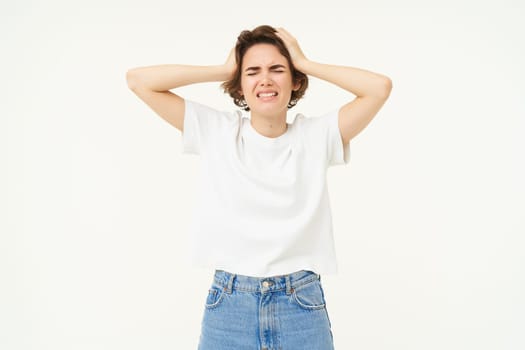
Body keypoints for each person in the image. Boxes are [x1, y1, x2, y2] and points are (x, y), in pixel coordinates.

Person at [127, 25, 391, 350]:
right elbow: (138, 81)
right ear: (240, 85)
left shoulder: (316, 136)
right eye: (252, 72)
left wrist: (305, 63)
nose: (265, 80)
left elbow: (379, 88)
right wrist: (223, 70)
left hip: (301, 306)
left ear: (294, 81)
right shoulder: (217, 132)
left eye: (277, 69)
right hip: (229, 308)